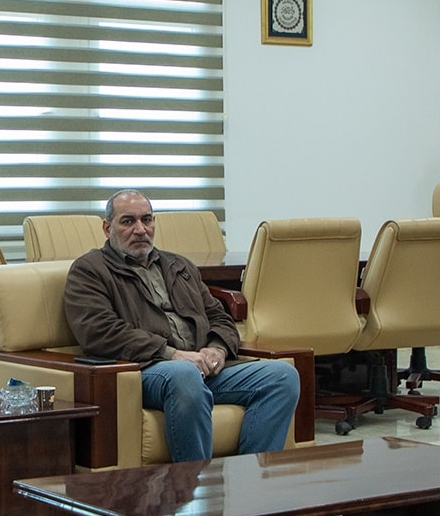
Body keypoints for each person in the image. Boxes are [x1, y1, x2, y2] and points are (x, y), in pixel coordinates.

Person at [64, 189, 301, 462]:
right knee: (184, 375)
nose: (140, 229)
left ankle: (249, 478)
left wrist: (218, 349)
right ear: (108, 228)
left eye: (146, 220)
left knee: (283, 375)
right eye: (128, 221)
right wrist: (172, 354)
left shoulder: (178, 265)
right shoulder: (90, 270)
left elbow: (220, 316)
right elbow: (99, 331)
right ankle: (196, 483)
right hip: (146, 370)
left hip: (202, 368)